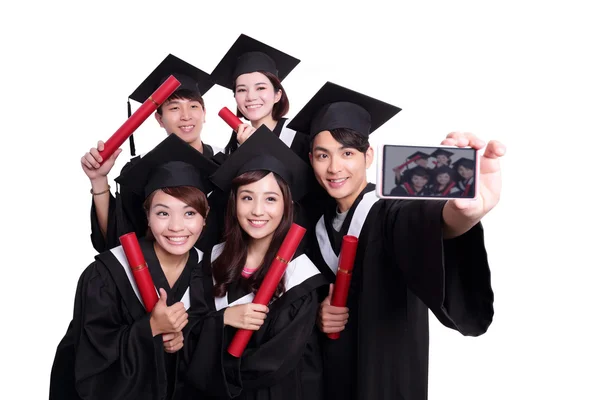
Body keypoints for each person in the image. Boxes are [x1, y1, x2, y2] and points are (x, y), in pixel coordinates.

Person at [287, 81, 503, 400]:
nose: (334, 167)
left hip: (386, 375)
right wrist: (318, 312)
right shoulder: (314, 223)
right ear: (311, 159)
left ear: (368, 155)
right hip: (328, 377)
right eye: (322, 155)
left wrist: (465, 213)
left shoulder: (389, 209)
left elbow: (428, 223)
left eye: (347, 153)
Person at [50, 134, 217, 400]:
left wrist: (183, 342)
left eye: (189, 213)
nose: (176, 226)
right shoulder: (106, 275)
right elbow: (89, 359)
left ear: (205, 218)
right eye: (162, 212)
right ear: (147, 217)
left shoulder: (208, 273)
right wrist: (148, 329)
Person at [182, 126, 328, 399]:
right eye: (247, 197)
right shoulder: (211, 263)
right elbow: (187, 332)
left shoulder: (300, 276)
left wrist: (216, 371)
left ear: (287, 205)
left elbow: (275, 363)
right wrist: (223, 318)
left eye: (271, 199)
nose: (258, 210)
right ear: (233, 203)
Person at [81, 54, 222, 253]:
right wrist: (99, 180)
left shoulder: (225, 162)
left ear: (204, 113)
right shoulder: (140, 169)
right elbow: (115, 242)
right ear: (159, 118)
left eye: (193, 106)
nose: (186, 116)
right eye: (174, 108)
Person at [210, 34, 309, 161]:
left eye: (261, 88)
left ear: (277, 95)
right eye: (241, 90)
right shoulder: (234, 146)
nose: (250, 97)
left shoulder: (300, 136)